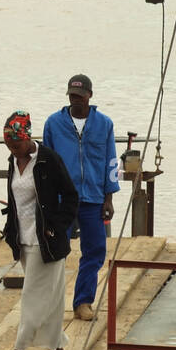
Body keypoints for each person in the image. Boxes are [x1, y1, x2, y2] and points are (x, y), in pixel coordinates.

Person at [0, 110, 79, 350]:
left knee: (32, 300)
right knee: (51, 301)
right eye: (9, 146)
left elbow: (71, 197)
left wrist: (56, 227)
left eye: (17, 145)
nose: (14, 150)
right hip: (23, 239)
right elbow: (16, 198)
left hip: (46, 243)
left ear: (28, 138)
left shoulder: (48, 160)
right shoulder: (13, 160)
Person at [43, 73, 120, 321]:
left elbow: (111, 162)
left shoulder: (104, 124)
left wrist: (109, 198)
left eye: (80, 96)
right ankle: (51, 305)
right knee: (55, 250)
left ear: (89, 96)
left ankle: (83, 302)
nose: (76, 100)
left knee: (95, 250)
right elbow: (45, 164)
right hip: (62, 199)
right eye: (72, 96)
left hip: (94, 199)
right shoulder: (53, 124)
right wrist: (47, 200)